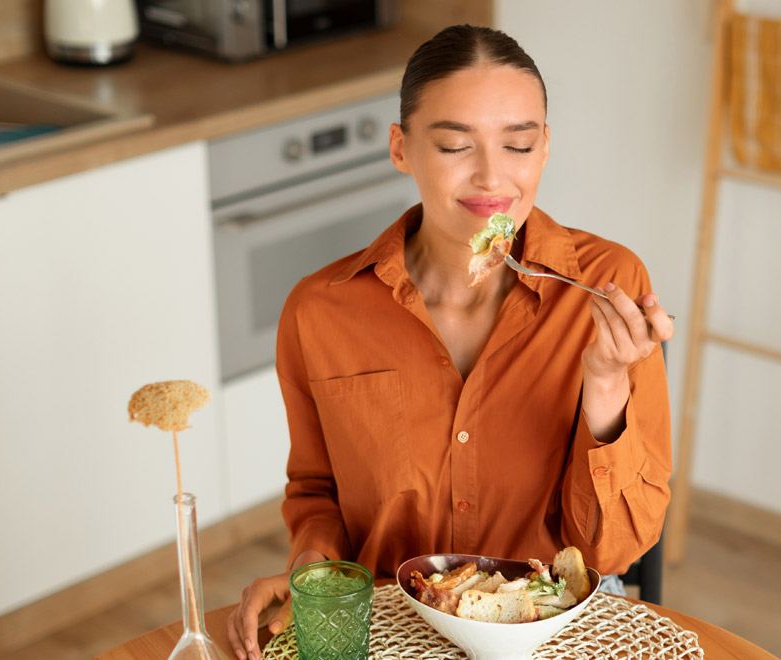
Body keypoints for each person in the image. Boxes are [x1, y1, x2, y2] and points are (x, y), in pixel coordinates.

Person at [226, 24, 674, 660]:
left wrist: (604, 381)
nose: (492, 177)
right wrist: (313, 572)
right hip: (391, 632)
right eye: (456, 145)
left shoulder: (607, 284)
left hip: (555, 634)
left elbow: (614, 550)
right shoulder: (319, 311)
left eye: (518, 145)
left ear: (545, 148)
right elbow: (318, 491)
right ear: (401, 148)